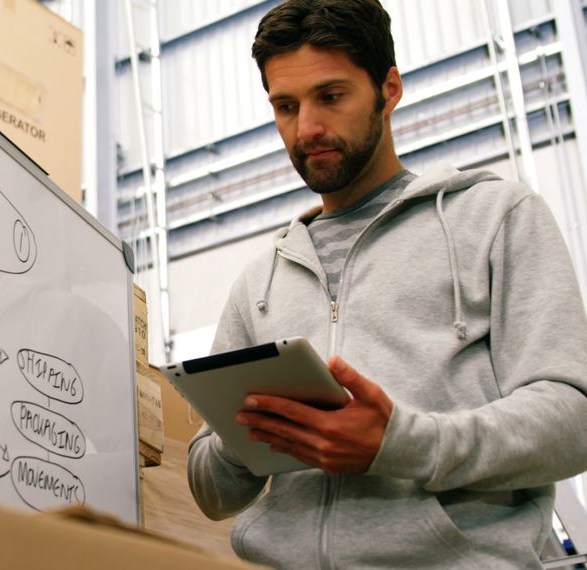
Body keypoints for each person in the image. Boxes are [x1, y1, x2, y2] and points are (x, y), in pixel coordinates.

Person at [186, 1, 587, 568]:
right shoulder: (262, 280)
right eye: (285, 105)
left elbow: (574, 421)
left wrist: (399, 443)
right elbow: (210, 493)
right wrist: (248, 431)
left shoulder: (495, 217)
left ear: (389, 89)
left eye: (330, 96)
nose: (306, 129)